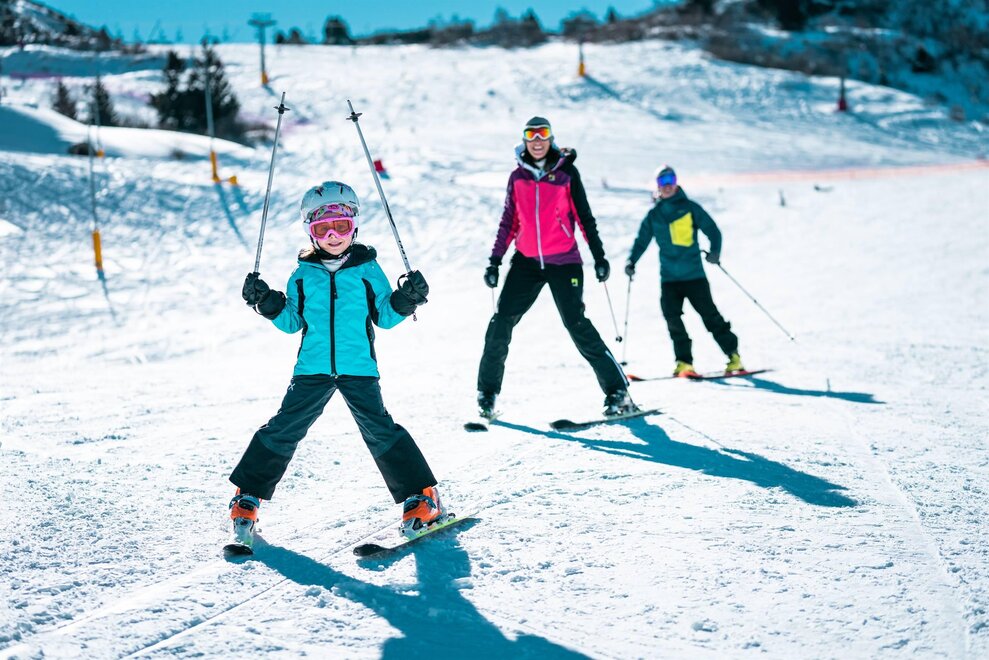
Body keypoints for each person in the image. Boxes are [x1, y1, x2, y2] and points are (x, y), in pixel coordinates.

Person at [228, 181, 440, 549]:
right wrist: (266, 302)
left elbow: (384, 316)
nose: (333, 235)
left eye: (341, 226)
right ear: (309, 231)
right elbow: (292, 322)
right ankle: (247, 496)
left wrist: (407, 299)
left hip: (358, 367)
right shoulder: (302, 275)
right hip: (312, 369)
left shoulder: (367, 269)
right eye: (322, 228)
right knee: (284, 428)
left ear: (354, 225)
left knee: (380, 430)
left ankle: (422, 496)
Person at [477, 117, 633, 419]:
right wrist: (494, 260)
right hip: (526, 262)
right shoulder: (517, 177)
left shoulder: (566, 174)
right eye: (531, 135)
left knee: (576, 324)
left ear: (551, 139)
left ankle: (618, 391)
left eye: (543, 134)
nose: (537, 140)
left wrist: (599, 256)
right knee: (500, 323)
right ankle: (487, 394)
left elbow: (584, 217)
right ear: (524, 140)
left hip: (564, 261)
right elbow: (509, 221)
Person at [625, 166, 743, 377]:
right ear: (657, 186)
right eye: (663, 181)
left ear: (676, 182)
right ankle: (684, 363)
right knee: (672, 319)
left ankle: (733, 357)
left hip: (694, 276)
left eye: (671, 179)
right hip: (669, 279)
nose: (667, 185)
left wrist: (715, 252)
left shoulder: (690, 208)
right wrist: (631, 261)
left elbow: (713, 230)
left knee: (710, 317)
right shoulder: (654, 215)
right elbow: (641, 241)